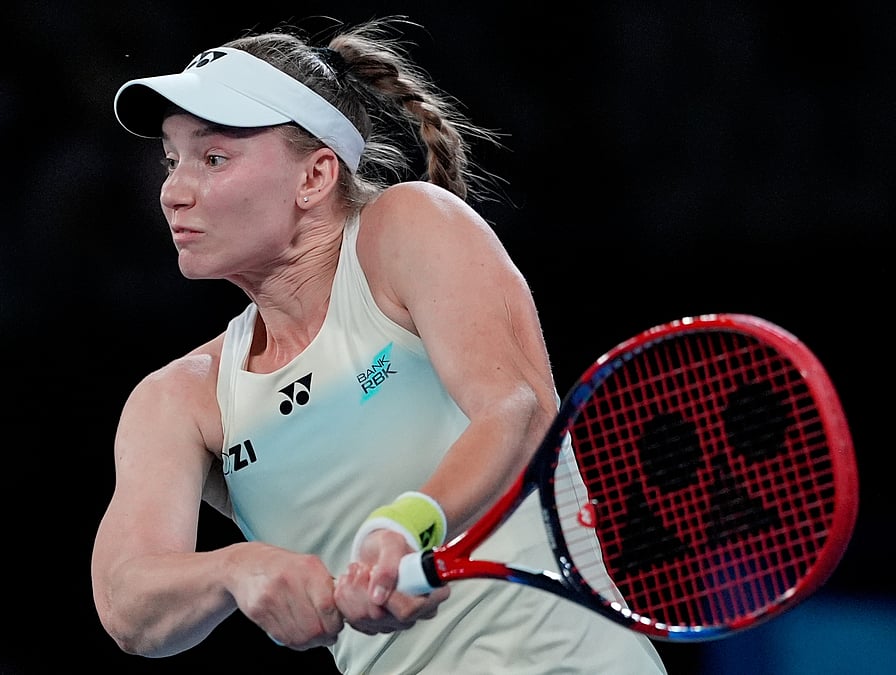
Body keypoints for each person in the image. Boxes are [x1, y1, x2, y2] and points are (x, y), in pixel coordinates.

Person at [91, 16, 668, 674]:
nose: (173, 192)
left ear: (314, 177)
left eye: (213, 158)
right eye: (172, 161)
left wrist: (407, 523)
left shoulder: (407, 226)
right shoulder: (182, 398)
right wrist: (236, 569)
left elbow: (519, 409)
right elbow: (128, 603)